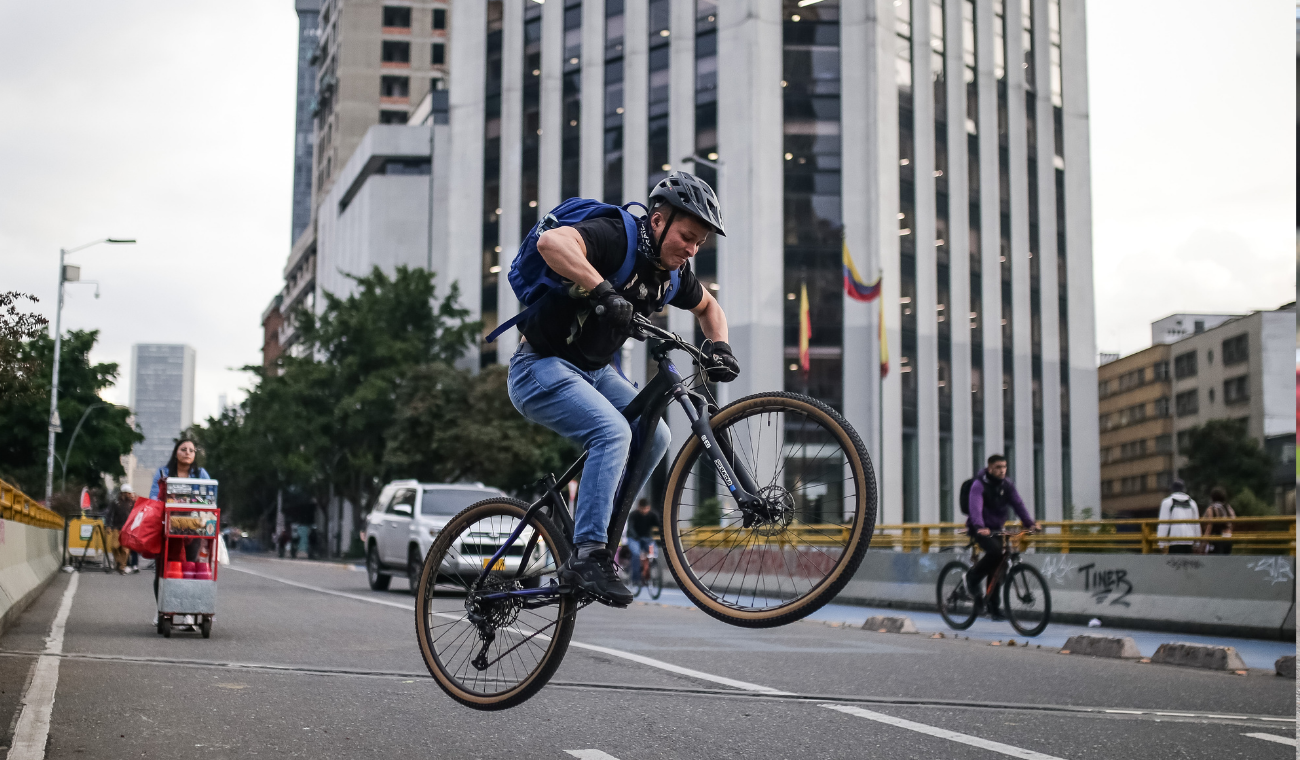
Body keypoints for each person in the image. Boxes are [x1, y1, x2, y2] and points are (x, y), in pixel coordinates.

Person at [508, 171, 736, 606]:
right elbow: (551, 244)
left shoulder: (673, 276)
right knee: (613, 431)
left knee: (659, 437)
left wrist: (720, 346)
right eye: (686, 236)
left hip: (593, 371)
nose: (690, 250)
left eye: (698, 244)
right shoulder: (617, 236)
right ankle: (589, 554)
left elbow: (710, 308)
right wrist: (603, 290)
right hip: (537, 366)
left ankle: (597, 541)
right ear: (658, 220)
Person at [965, 454, 1039, 618]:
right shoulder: (979, 485)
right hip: (980, 529)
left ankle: (994, 607)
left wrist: (1030, 523)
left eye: (1004, 467)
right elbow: (975, 507)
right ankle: (972, 577)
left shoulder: (1007, 485)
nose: (1002, 470)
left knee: (1000, 565)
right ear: (990, 468)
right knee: (995, 553)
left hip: (997, 529)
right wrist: (979, 526)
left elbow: (1018, 504)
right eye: (998, 467)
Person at [150, 439, 212, 599]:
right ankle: (162, 610)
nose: (187, 453)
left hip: (194, 527)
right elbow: (153, 498)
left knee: (190, 567)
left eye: (191, 450)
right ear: (176, 453)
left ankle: (187, 612)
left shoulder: (201, 474)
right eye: (183, 449)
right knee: (163, 568)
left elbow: (210, 498)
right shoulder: (163, 473)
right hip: (166, 527)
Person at [1157, 478, 1199, 554]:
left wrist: (1161, 544)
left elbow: (1163, 524)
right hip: (1189, 541)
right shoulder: (1192, 503)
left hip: (1174, 540)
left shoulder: (1167, 502)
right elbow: (1196, 524)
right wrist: (1197, 543)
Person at [625, 498, 660, 583]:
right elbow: (630, 528)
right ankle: (635, 578)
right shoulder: (633, 515)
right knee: (636, 553)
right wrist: (635, 536)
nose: (645, 511)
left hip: (647, 538)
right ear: (639, 507)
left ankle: (650, 569)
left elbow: (659, 526)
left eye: (647, 508)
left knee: (653, 552)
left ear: (649, 507)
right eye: (643, 508)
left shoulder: (653, 515)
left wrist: (660, 538)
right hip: (634, 538)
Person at [106, 484, 139, 574]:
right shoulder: (115, 502)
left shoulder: (132, 503)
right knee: (114, 546)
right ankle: (118, 561)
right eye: (128, 493)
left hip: (127, 529)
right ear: (124, 493)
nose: (130, 495)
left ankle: (122, 567)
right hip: (116, 527)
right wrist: (108, 526)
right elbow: (109, 514)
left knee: (125, 549)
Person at [1200, 486, 1236, 555]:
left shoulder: (1211, 509)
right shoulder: (1228, 508)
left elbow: (1209, 527)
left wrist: (1203, 543)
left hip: (1217, 538)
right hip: (1228, 537)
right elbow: (1233, 521)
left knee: (1216, 562)